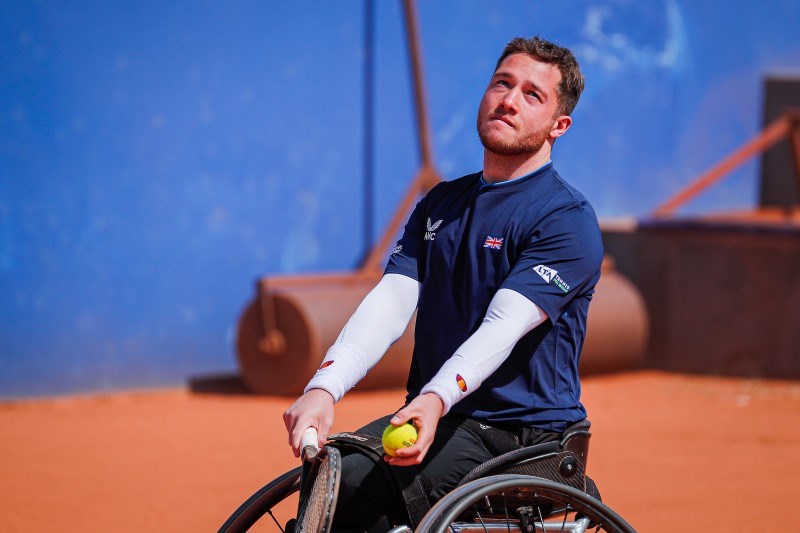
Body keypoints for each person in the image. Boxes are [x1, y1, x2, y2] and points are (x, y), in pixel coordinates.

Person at [283, 35, 603, 532]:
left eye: (532, 95)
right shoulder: (440, 204)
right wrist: (324, 387)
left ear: (558, 126)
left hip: (522, 436)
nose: (510, 100)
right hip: (446, 418)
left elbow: (503, 325)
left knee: (355, 486)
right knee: (329, 476)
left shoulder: (566, 219)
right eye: (502, 83)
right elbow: (391, 302)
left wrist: (432, 399)